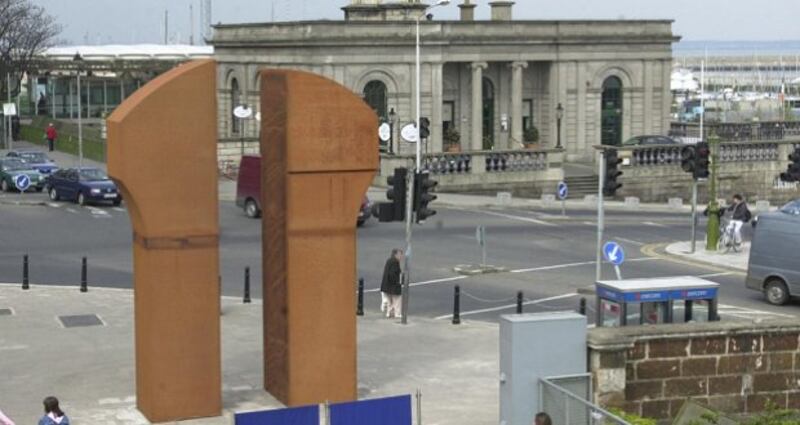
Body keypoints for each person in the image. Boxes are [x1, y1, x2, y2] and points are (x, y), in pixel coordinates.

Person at [380, 248, 403, 318]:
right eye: (400, 254)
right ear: (396, 254)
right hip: (393, 286)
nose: (401, 256)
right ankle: (397, 313)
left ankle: (390, 313)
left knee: (389, 300)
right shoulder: (395, 262)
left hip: (386, 285)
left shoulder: (389, 260)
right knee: (397, 299)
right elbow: (392, 274)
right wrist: (397, 282)